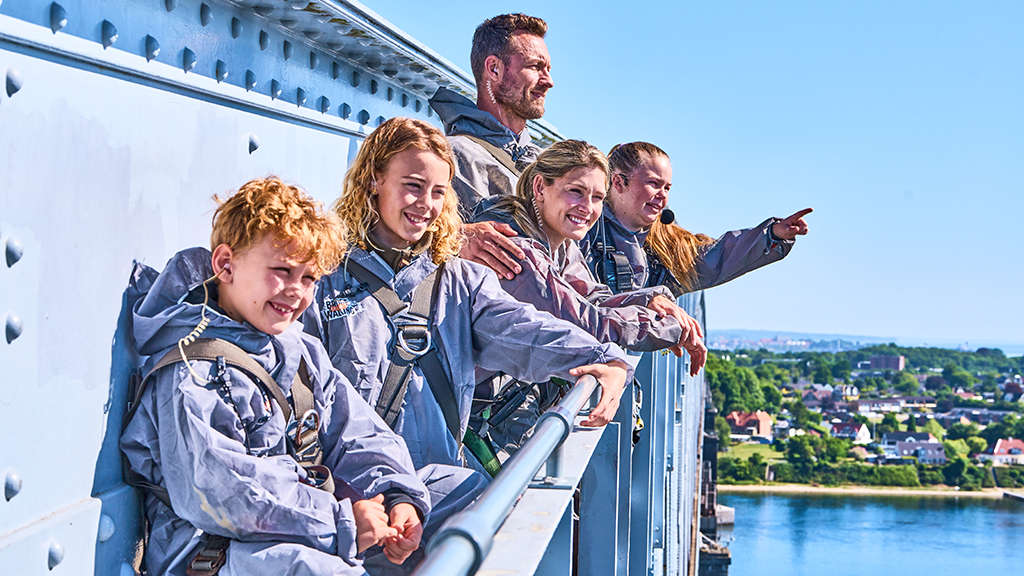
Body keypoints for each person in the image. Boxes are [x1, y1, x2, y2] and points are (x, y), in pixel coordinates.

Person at [120, 177, 431, 576]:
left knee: (452, 500)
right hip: (214, 550)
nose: (296, 292)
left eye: (309, 278)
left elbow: (357, 431)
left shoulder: (299, 351)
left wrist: (397, 495)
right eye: (282, 270)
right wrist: (342, 521)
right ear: (225, 265)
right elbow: (223, 490)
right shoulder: (191, 371)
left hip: (301, 523)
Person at [303, 117, 631, 475]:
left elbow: (524, 330)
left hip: (433, 486)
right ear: (373, 180)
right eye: (413, 186)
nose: (426, 205)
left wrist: (605, 358)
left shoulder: (461, 281)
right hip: (350, 493)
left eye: (439, 192)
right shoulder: (321, 277)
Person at [581, 141, 812, 297]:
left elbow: (719, 257)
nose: (662, 196)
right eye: (653, 183)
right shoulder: (579, 232)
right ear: (619, 182)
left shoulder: (667, 249)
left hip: (619, 368)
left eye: (667, 187)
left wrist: (772, 235)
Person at [430, 13, 553, 281]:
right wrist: (457, 236)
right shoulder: (452, 155)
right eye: (535, 67)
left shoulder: (544, 162)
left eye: (549, 69)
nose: (548, 81)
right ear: (494, 69)